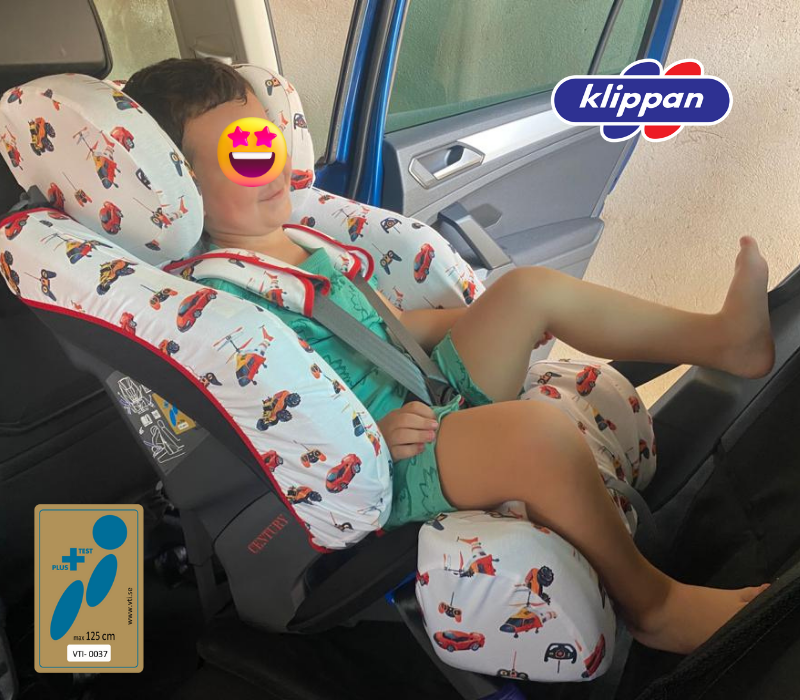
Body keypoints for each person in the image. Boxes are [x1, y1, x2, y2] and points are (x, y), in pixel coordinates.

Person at [124, 58, 774, 656]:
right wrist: (369, 438)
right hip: (379, 463)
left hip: (422, 392)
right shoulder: (216, 302)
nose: (267, 164)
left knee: (529, 290)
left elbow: (385, 329)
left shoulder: (298, 241)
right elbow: (272, 424)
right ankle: (656, 606)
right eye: (240, 156)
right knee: (537, 435)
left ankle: (721, 340)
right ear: (182, 187)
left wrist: (486, 321)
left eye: (265, 140)